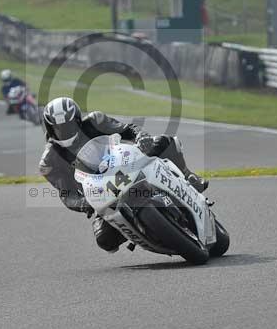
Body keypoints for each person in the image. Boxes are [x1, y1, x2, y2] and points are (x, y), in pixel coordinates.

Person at [38, 96, 208, 253]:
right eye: (59, 128)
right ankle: (140, 229)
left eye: (69, 126)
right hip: (100, 193)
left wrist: (141, 137)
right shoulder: (49, 161)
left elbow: (127, 129)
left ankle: (188, 176)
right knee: (104, 240)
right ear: (50, 129)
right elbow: (66, 194)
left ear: (77, 120)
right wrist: (84, 203)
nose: (66, 131)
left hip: (125, 164)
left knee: (163, 142)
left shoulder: (96, 120)